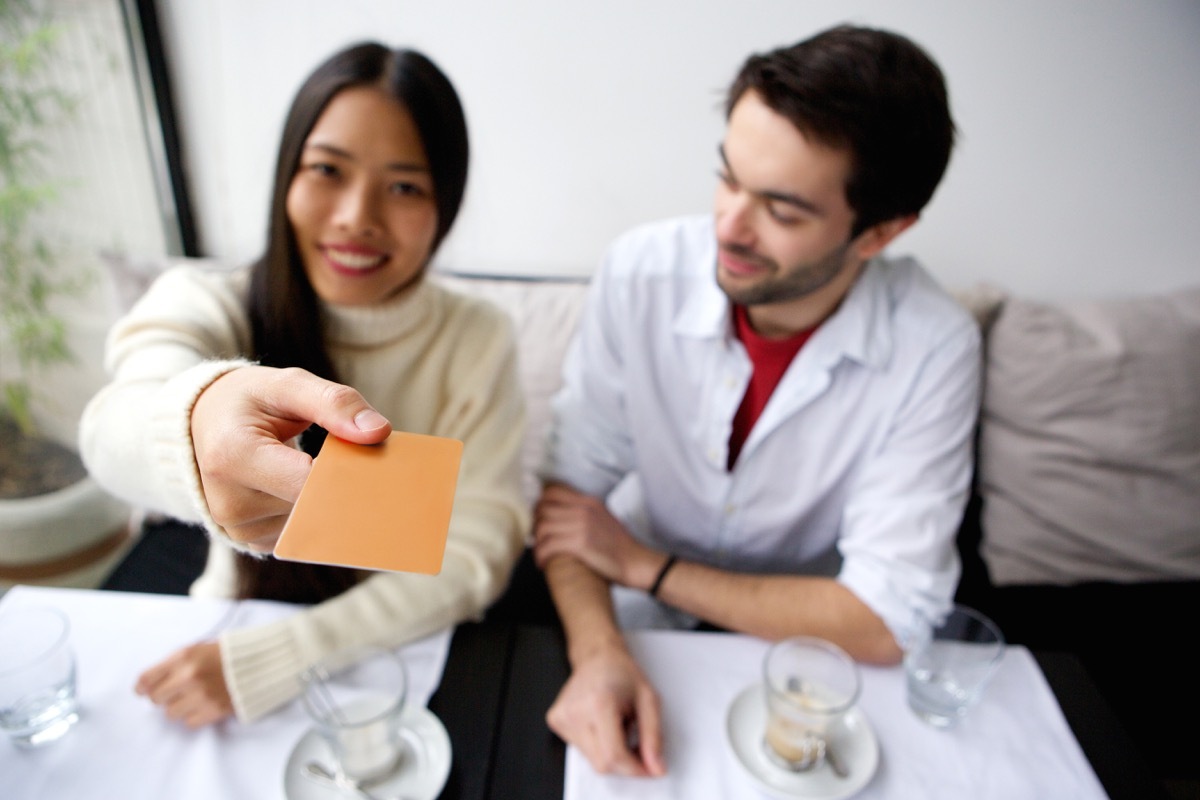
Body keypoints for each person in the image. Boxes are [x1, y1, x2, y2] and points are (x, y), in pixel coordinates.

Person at [532, 24, 979, 776]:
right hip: (630, 618)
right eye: (728, 177)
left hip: (805, 652)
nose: (729, 226)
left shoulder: (935, 346)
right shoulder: (640, 272)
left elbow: (885, 620)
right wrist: (598, 652)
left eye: (783, 211)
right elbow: (569, 499)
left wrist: (647, 565)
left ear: (880, 233)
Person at [79, 42, 528, 727]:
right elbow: (113, 426)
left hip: (400, 647)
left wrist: (280, 658)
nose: (356, 216)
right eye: (327, 170)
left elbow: (476, 550)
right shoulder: (213, 302)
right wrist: (199, 419)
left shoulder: (478, 338)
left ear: (447, 201)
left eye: (404, 186)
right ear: (287, 173)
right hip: (230, 625)